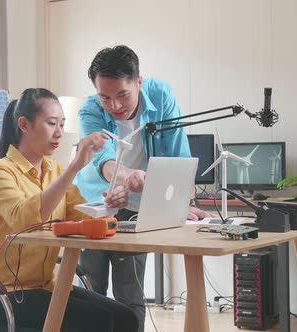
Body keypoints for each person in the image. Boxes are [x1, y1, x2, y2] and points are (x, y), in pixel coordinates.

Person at [0, 88, 139, 332]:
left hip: (44, 287)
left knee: (125, 317)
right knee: (98, 320)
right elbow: (24, 220)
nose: (59, 132)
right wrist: (75, 166)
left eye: (62, 124)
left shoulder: (54, 171)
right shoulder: (0, 171)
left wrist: (108, 206)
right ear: (24, 125)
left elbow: (82, 217)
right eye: (51, 123)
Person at [75, 45, 213, 331]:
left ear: (139, 81)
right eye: (105, 97)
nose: (114, 105)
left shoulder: (160, 95)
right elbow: (102, 159)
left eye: (122, 95)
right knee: (91, 288)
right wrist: (126, 176)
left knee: (130, 291)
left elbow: (178, 151)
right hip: (93, 206)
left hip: (139, 207)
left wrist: (182, 203)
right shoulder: (90, 109)